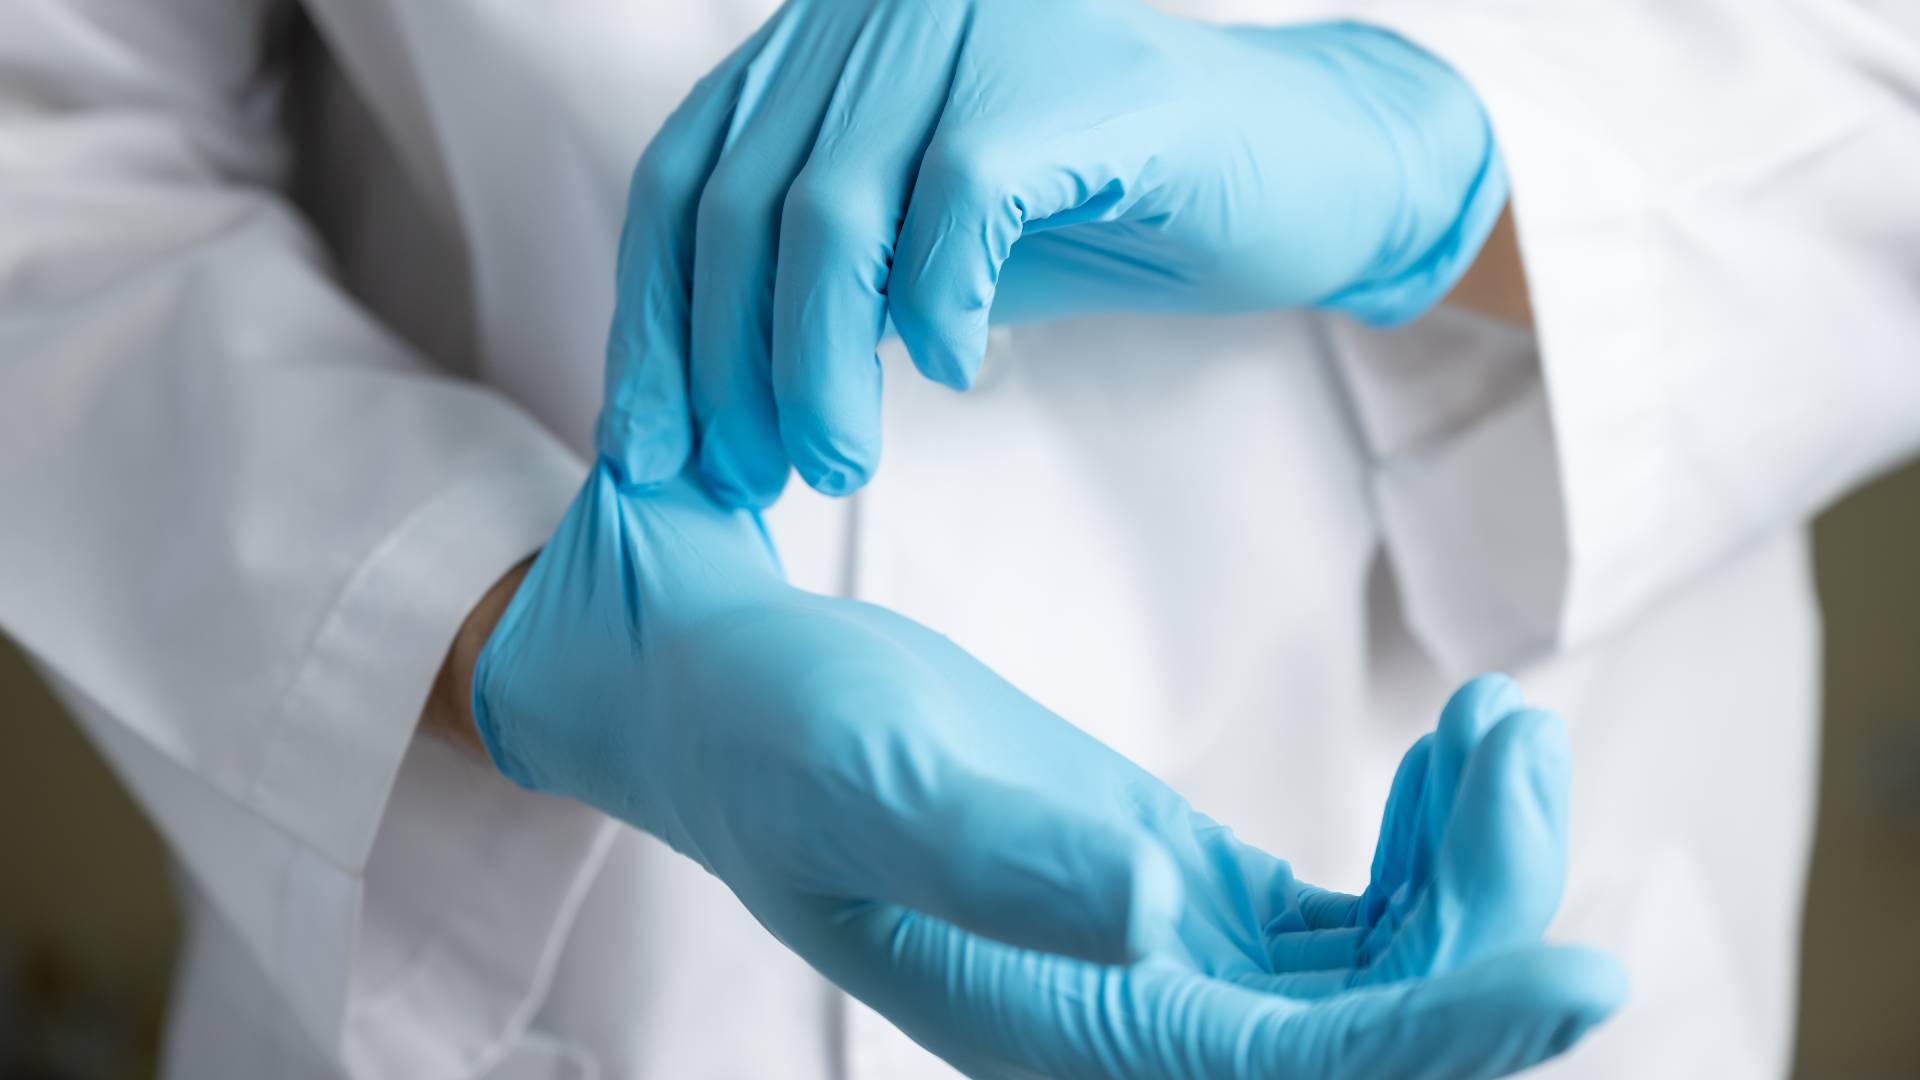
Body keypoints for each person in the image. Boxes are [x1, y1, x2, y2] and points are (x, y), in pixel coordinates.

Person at [0, 0, 1913, 1076]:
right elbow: (48, 146)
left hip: (1503, 797)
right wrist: (486, 612)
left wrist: (1463, 158)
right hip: (566, 973)